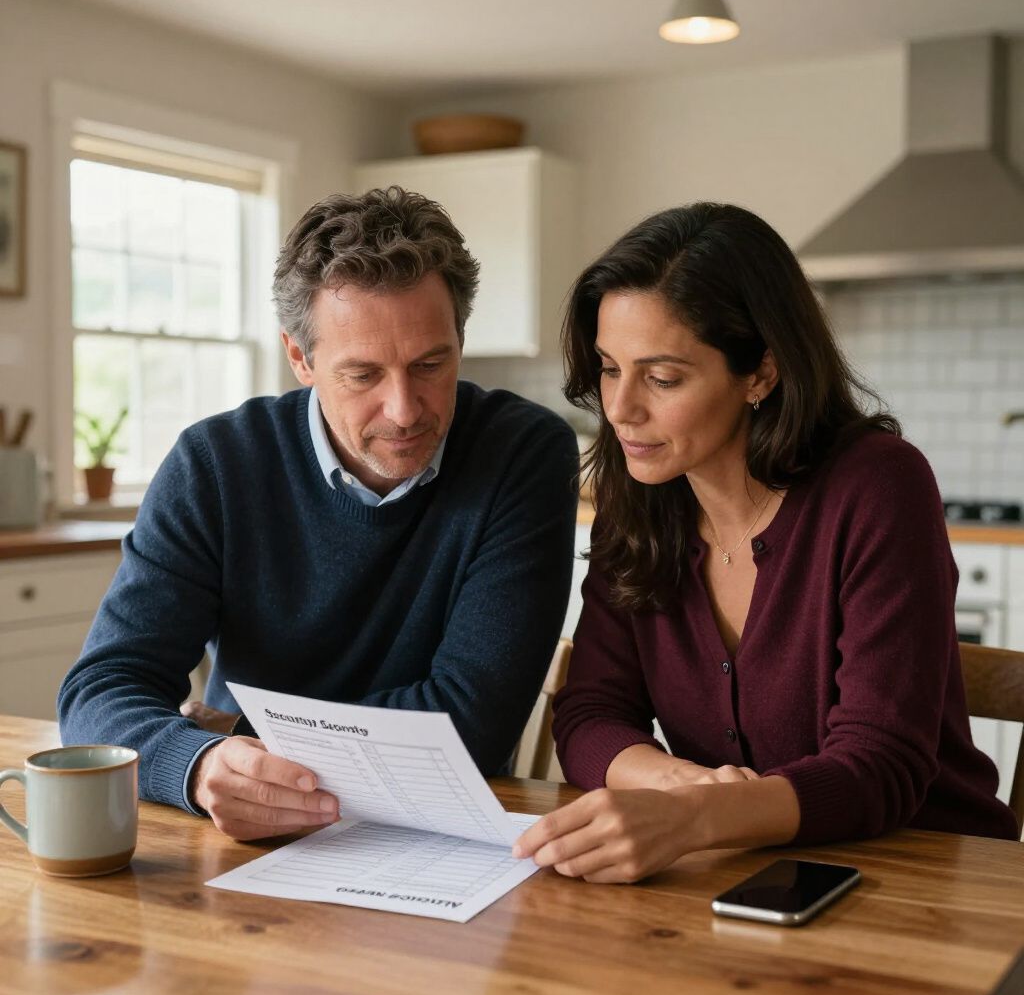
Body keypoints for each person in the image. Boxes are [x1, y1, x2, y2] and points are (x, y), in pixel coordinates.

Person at [512, 202, 1017, 883]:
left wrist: (696, 819)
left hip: (926, 876)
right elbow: (591, 711)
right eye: (608, 368)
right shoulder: (638, 498)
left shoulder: (876, 487)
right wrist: (673, 786)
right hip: (743, 871)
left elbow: (881, 765)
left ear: (761, 373)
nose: (621, 408)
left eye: (662, 377)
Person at [59, 187, 579, 841]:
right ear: (300, 358)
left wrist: (235, 734)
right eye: (363, 375)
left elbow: (465, 726)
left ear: (460, 338)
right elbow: (101, 689)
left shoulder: (523, 452)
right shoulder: (215, 464)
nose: (405, 409)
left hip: (438, 839)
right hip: (239, 837)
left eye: (430, 364)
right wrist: (197, 765)